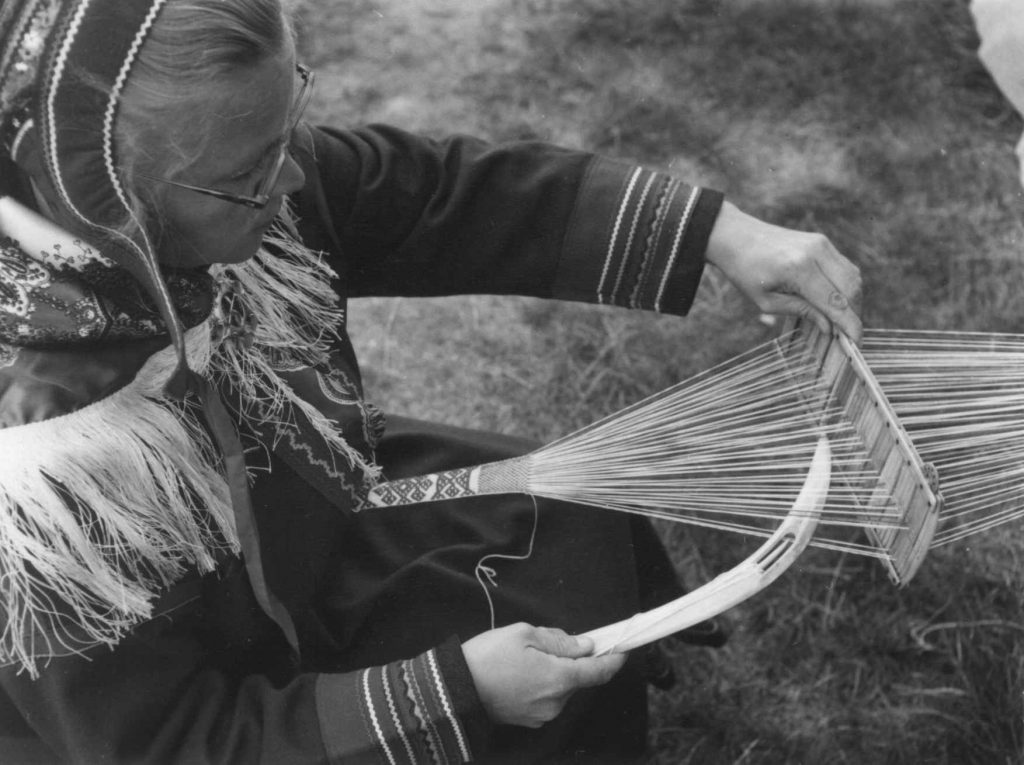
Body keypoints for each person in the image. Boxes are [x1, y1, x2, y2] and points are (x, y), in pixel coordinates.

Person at [0, 1, 862, 762]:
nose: (292, 179)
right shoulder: (41, 469)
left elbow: (435, 196)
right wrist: (456, 691)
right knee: (491, 698)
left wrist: (720, 231)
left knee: (564, 515)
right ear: (115, 201)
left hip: (299, 509)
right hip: (209, 687)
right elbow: (168, 741)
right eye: (255, 173)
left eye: (287, 129)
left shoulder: (206, 178)